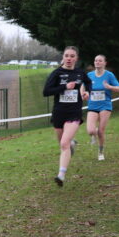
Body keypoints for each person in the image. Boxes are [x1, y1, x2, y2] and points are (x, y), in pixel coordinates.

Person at [42, 46, 91, 186]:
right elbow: (46, 91)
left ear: (76, 58)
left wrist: (87, 92)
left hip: (74, 112)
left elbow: (88, 83)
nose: (69, 58)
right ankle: (72, 143)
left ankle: (61, 175)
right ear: (63, 57)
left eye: (72, 56)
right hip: (59, 112)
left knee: (64, 144)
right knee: (63, 144)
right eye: (67, 56)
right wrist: (64, 87)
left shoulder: (80, 73)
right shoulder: (56, 73)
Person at [86, 55, 119, 161]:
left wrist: (110, 87)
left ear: (105, 63)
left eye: (100, 61)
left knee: (101, 131)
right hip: (92, 105)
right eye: (96, 60)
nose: (97, 62)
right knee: (90, 130)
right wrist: (83, 93)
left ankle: (101, 152)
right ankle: (94, 133)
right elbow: (83, 86)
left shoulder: (109, 75)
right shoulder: (89, 75)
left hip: (105, 105)